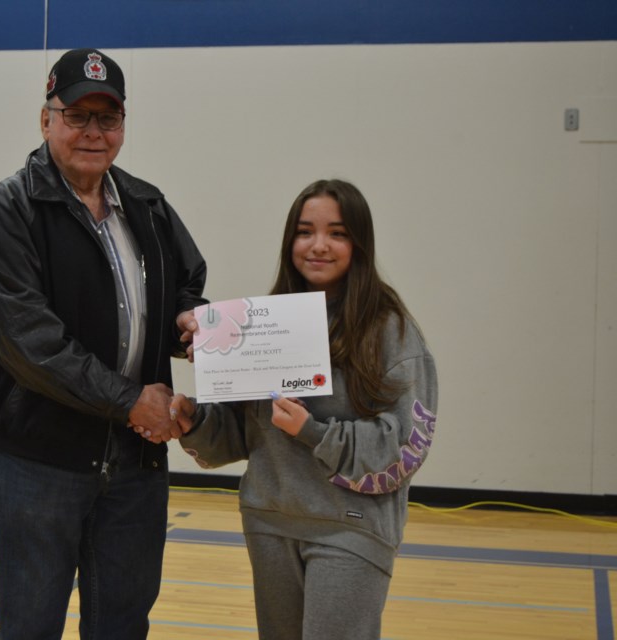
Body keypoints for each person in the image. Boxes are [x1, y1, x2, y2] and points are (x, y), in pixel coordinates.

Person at [0, 48, 207, 639]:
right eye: (77, 116)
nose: (94, 132)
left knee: (122, 627)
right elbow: (31, 343)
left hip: (135, 461)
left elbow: (186, 283)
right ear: (46, 119)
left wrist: (195, 323)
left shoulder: (147, 205)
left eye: (109, 118)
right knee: (29, 628)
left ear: (123, 125)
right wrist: (131, 400)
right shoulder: (10, 209)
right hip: (39, 460)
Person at [162, 179, 438, 639]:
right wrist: (195, 422)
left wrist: (313, 431)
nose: (318, 246)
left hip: (351, 529)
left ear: (360, 243)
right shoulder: (263, 322)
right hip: (270, 522)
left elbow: (405, 447)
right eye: (305, 231)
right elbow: (240, 435)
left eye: (337, 233)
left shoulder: (392, 330)